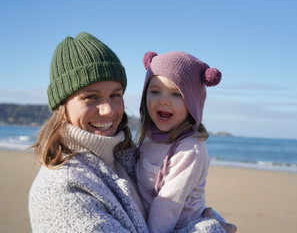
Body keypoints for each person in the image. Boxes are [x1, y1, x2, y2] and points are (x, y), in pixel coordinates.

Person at [29, 32, 235, 233]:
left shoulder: (124, 156)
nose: (108, 109)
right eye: (91, 97)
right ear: (61, 105)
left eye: (115, 95)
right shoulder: (65, 191)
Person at [136, 51, 237, 233]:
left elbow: (167, 205)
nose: (164, 101)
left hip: (184, 226)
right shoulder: (149, 138)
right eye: (155, 91)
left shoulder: (190, 149)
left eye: (176, 94)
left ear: (192, 103)